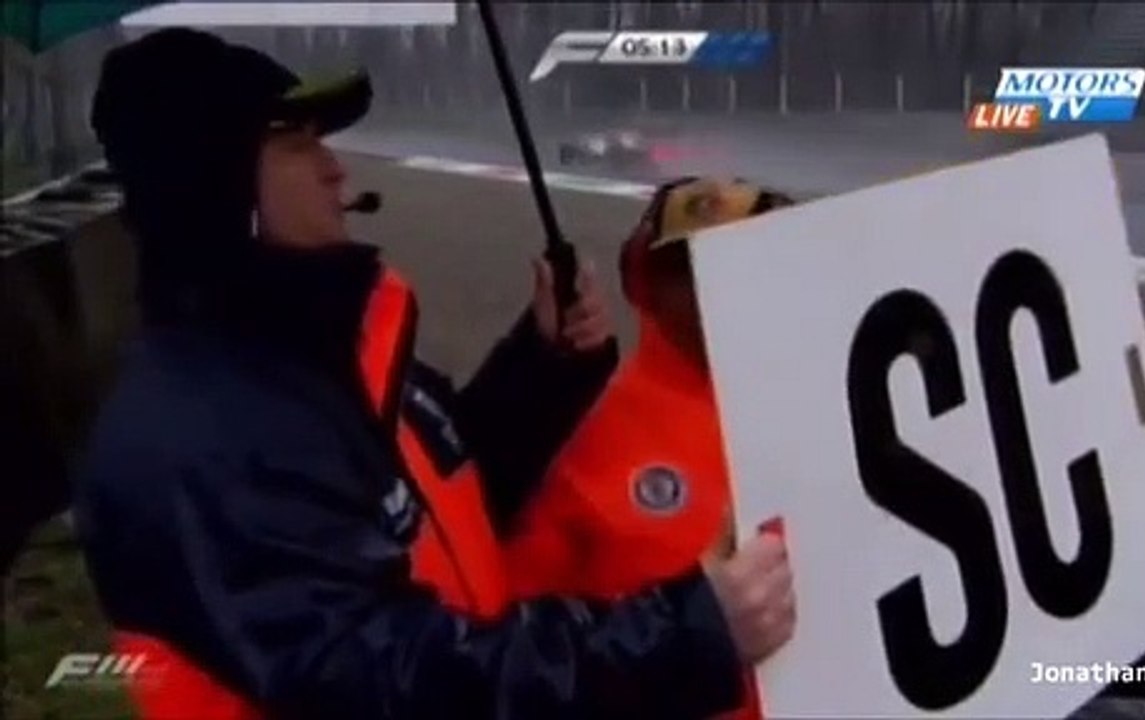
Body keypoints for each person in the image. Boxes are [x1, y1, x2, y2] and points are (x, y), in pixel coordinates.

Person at [73, 30, 795, 720]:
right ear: (214, 183)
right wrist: (683, 639)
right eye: (296, 143)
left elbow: (449, 496)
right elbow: (387, 682)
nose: (334, 168)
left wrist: (544, 364)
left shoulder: (318, 354)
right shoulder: (205, 438)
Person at [503, 176, 796, 720]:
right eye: (691, 264)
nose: (718, 283)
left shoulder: (838, 405)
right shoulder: (585, 432)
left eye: (749, 260)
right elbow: (519, 644)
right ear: (649, 282)